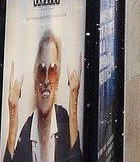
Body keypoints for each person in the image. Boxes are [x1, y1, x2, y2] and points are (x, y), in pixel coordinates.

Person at [5, 30, 83, 162]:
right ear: (35, 84)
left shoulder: (63, 119)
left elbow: (76, 159)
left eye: (52, 71)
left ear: (57, 82)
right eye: (42, 71)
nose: (46, 81)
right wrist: (12, 118)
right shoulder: (27, 130)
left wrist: (73, 103)